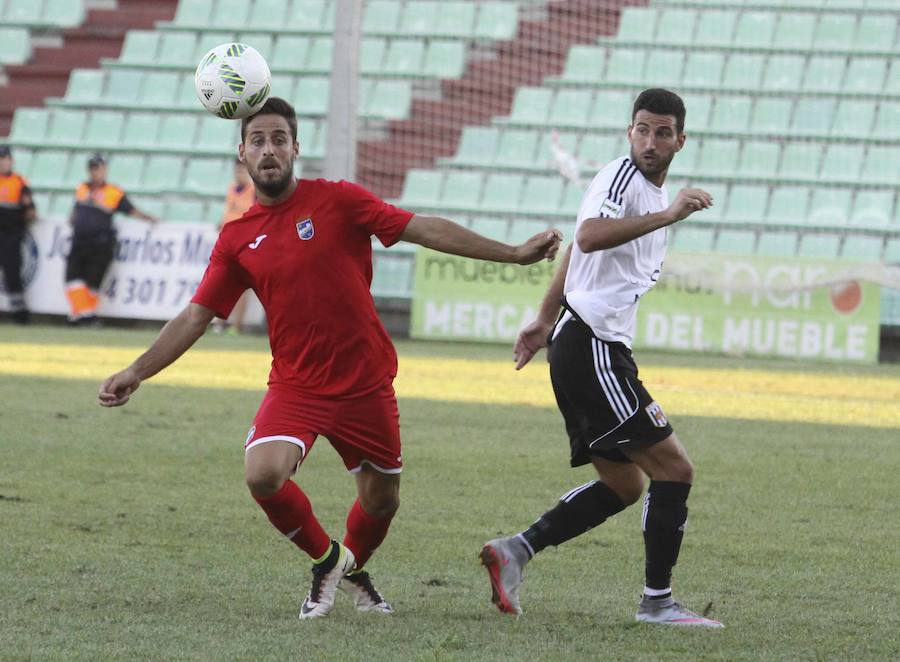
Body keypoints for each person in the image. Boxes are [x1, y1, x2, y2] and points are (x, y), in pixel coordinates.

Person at [98, 97, 562, 620]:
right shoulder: (237, 239)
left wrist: (514, 253)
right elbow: (195, 317)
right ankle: (328, 560)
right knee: (262, 475)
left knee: (383, 501)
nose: (268, 149)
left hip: (365, 382)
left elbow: (421, 227)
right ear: (243, 154)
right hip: (297, 387)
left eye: (278, 139)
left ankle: (350, 567)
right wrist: (136, 371)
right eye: (257, 141)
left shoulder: (339, 201)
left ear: (296, 147)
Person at [480, 88, 724, 628]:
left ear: (680, 140)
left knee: (625, 484)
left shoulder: (644, 194)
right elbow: (588, 237)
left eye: (663, 133)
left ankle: (514, 551)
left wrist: (544, 318)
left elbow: (575, 252)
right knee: (675, 470)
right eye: (642, 129)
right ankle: (657, 603)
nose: (650, 141)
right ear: (629, 131)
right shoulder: (624, 180)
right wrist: (670, 216)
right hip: (593, 348)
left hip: (579, 341)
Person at [64, 153, 157, 325]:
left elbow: (131, 210)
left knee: (93, 282)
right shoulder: (82, 188)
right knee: (72, 279)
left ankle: (84, 315)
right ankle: (85, 314)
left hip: (100, 242)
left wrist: (149, 218)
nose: (99, 172)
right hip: (79, 241)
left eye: (101, 168)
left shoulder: (113, 192)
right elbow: (75, 210)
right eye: (95, 168)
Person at [214, 158, 256, 334]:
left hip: (244, 244)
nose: (239, 174)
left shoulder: (254, 192)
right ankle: (218, 324)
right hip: (227, 243)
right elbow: (229, 212)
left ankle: (235, 326)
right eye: (237, 171)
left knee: (241, 288)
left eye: (242, 171)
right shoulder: (231, 189)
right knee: (219, 284)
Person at [0, 146, 36, 324]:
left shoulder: (19, 182)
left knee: (12, 273)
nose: (2, 162)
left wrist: (28, 212)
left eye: (4, 158)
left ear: (10, 160)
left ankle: (19, 314)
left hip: (10, 235)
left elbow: (30, 209)